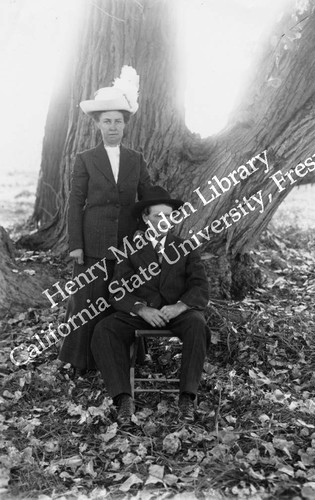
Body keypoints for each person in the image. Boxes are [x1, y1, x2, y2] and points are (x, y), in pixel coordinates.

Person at [59, 66, 152, 374]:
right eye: (107, 121)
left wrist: (142, 231)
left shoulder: (135, 160)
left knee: (123, 298)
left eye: (118, 122)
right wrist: (76, 244)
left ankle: (126, 359)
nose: (113, 127)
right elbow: (75, 202)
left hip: (126, 244)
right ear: (97, 125)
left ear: (125, 125)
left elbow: (148, 199)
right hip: (93, 241)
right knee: (86, 301)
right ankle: (79, 361)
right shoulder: (85, 159)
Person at [91, 186, 210, 424]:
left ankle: (187, 396)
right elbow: (117, 288)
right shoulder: (130, 247)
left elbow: (201, 287)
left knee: (198, 325)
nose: (164, 221)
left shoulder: (185, 246)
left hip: (175, 313)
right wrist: (140, 308)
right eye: (158, 216)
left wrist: (180, 306)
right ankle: (123, 397)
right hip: (141, 313)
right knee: (104, 329)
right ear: (146, 218)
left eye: (169, 216)